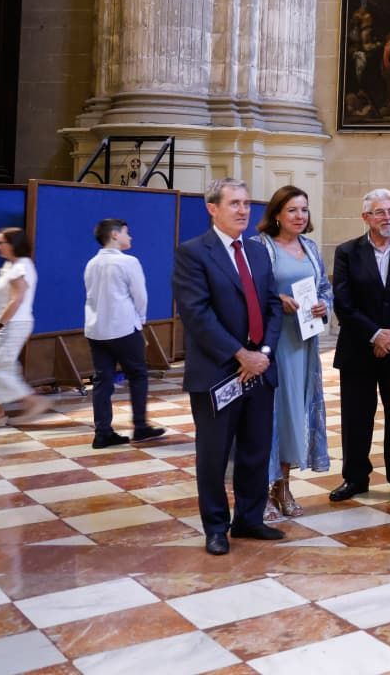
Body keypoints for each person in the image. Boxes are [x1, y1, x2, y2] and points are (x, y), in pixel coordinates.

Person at [173, 179, 285, 556]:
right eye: (234, 203)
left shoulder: (257, 251)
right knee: (214, 454)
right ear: (212, 208)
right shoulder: (193, 253)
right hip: (219, 372)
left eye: (246, 203)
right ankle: (216, 527)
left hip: (261, 369)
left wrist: (264, 352)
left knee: (256, 450)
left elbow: (272, 306)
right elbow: (197, 314)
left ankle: (249, 519)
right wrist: (241, 354)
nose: (243, 210)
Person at [331, 189, 390, 502]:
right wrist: (375, 335)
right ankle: (355, 478)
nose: (388, 217)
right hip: (358, 348)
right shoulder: (347, 251)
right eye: (380, 212)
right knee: (356, 417)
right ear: (366, 217)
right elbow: (343, 303)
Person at [251, 187, 332, 520]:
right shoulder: (260, 247)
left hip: (303, 344)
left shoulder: (310, 248)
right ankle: (261, 491)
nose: (300, 217)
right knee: (270, 416)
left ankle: (283, 485)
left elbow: (325, 288)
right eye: (292, 210)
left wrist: (324, 305)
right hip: (272, 343)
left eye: (305, 210)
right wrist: (276, 300)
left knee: (294, 415)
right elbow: (249, 291)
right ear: (277, 214)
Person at [84, 219, 164, 448]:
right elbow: (140, 295)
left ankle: (102, 432)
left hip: (96, 329)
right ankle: (140, 426)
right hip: (123, 328)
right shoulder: (128, 262)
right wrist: (141, 321)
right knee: (138, 375)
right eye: (127, 233)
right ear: (115, 235)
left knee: (102, 380)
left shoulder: (91, 263)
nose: (131, 238)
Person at [0, 228, 52, 426]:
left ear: (13, 244)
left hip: (13, 325)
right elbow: (7, 294)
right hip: (6, 323)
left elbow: (17, 300)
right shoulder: (10, 265)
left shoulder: (21, 267)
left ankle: (34, 401)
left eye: (1, 242)